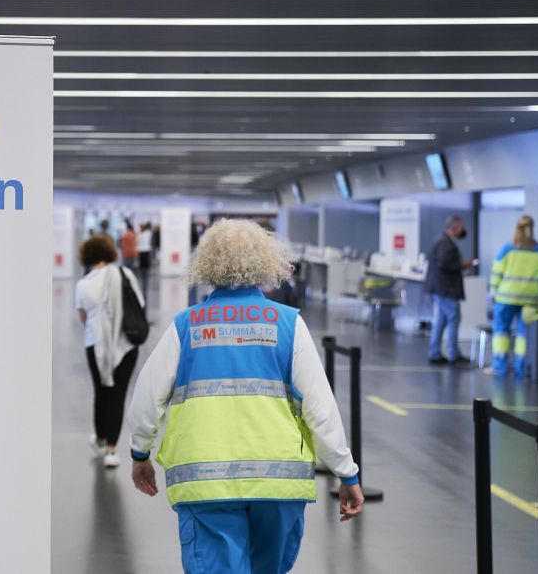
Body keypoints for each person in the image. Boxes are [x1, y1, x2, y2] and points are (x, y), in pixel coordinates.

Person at [125, 220, 363, 574]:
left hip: (207, 483)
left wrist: (140, 452)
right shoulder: (288, 324)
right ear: (267, 261)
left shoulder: (186, 326)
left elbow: (147, 398)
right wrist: (346, 474)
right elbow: (320, 407)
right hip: (278, 484)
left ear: (206, 262)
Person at [76, 234, 145, 468]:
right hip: (125, 344)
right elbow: (140, 305)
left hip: (96, 345)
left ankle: (100, 439)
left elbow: (84, 317)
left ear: (86, 256)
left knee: (101, 392)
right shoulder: (125, 274)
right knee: (118, 394)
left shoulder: (83, 284)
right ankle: (111, 451)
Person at [489, 215, 538, 377]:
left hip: (506, 298)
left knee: (501, 332)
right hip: (531, 300)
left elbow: (496, 272)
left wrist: (492, 291)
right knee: (523, 335)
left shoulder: (508, 249)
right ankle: (520, 368)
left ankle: (500, 367)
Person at [423, 215, 473, 365]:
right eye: (462, 228)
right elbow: (444, 263)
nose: (463, 231)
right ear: (455, 228)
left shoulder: (441, 241)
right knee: (453, 318)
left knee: (441, 320)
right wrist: (462, 264)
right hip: (445, 288)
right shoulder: (446, 244)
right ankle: (453, 354)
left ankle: (435, 353)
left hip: (440, 287)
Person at [137, 222, 153, 298]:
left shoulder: (141, 234)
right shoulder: (146, 233)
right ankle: (145, 271)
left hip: (141, 250)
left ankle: (143, 270)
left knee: (142, 265)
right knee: (145, 265)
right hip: (145, 250)